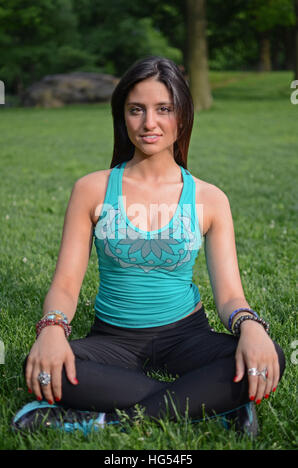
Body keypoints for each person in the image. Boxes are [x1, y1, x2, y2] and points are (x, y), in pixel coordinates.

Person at [12, 56, 285, 436]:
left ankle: (99, 418)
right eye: (136, 110)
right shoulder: (92, 189)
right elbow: (65, 284)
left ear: (183, 117)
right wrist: (52, 330)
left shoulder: (210, 199)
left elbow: (229, 296)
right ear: (122, 116)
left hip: (188, 337)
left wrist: (251, 327)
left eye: (163, 109)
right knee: (42, 364)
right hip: (113, 341)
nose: (149, 123)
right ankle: (212, 406)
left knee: (270, 355)